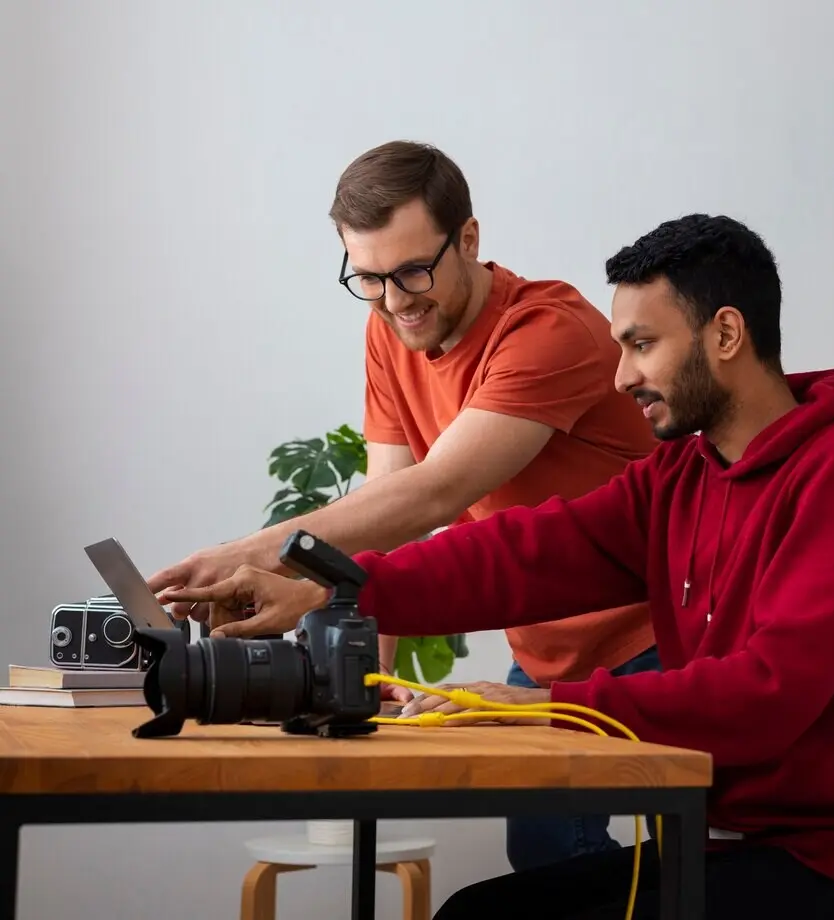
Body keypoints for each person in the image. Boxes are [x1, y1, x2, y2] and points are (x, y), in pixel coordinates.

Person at [158, 213, 834, 920]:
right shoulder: (682, 476)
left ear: (726, 334)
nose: (621, 376)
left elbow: (770, 692)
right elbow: (520, 558)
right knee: (475, 914)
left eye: (641, 344)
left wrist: (540, 707)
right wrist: (329, 591)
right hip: (720, 846)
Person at [146, 139, 662, 872]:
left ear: (469, 240)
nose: (394, 302)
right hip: (541, 650)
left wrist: (243, 553)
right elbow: (382, 514)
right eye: (369, 278)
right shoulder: (391, 332)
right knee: (549, 863)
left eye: (414, 271)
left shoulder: (549, 331)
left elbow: (435, 490)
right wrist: (363, 684)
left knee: (635, 866)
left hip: (654, 637)